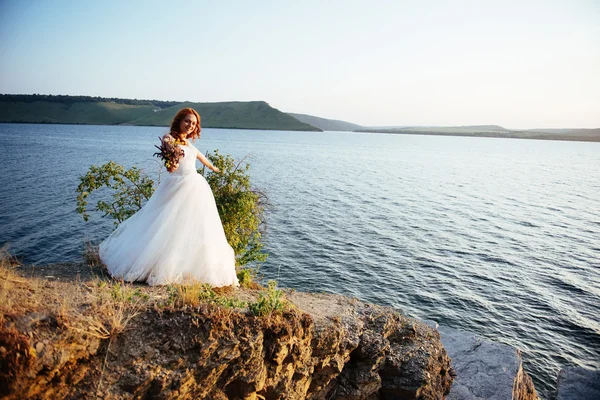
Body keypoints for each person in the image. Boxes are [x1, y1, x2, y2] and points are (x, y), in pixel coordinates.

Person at [99, 108, 239, 287]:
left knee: (191, 227)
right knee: (163, 223)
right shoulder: (169, 139)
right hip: (176, 185)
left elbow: (203, 159)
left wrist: (216, 169)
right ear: (179, 121)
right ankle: (153, 264)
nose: (190, 125)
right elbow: (170, 166)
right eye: (187, 121)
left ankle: (185, 266)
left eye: (194, 123)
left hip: (195, 186)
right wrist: (171, 159)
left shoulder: (189, 144)